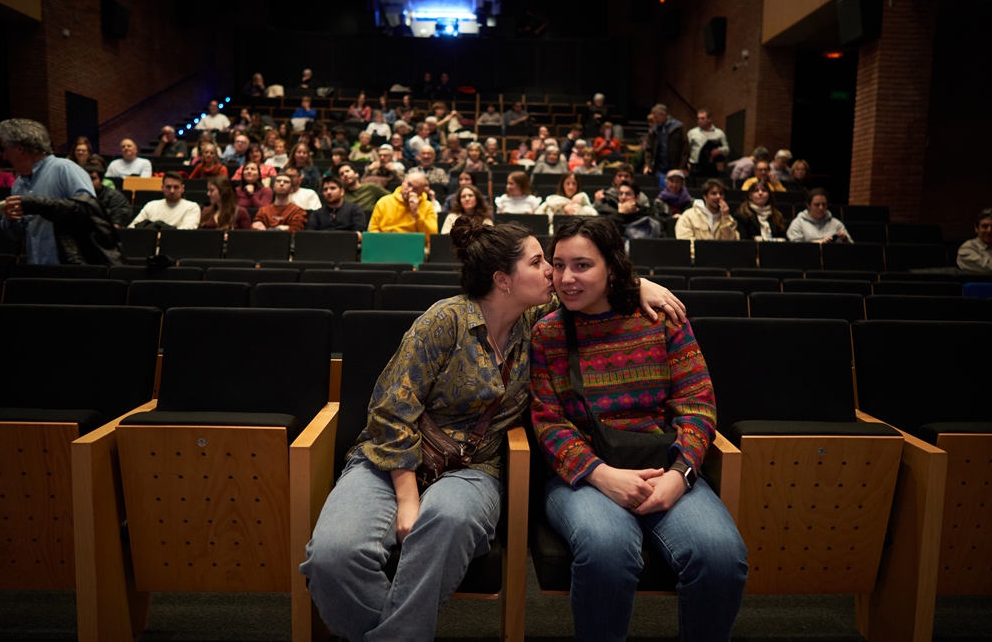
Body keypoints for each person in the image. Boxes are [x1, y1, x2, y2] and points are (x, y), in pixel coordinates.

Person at [299, 217, 685, 642]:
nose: (553, 273)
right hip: (391, 460)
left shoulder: (536, 320)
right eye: (540, 262)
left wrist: (640, 283)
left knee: (445, 522)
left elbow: (591, 283)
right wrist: (408, 499)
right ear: (503, 279)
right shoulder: (444, 321)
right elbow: (390, 412)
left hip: (473, 468)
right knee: (331, 559)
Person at [530, 216, 747, 642]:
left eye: (582, 265)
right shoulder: (546, 332)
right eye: (558, 265)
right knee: (608, 550)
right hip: (582, 477)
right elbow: (548, 422)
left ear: (612, 267)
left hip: (661, 465)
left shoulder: (661, 318)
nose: (566, 278)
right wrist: (602, 476)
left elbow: (697, 404)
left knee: (721, 556)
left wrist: (680, 476)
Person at [0, 118, 96, 264]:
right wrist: (10, 220)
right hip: (37, 265)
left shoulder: (65, 169)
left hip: (71, 268)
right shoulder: (19, 184)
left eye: (5, 149)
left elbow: (90, 213)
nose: (4, 156)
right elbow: (18, 233)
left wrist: (39, 205)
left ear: (20, 149)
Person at [0, 189, 125, 266]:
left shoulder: (87, 205)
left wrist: (29, 203)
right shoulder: (20, 183)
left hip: (89, 265)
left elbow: (62, 207)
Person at [368, 170, 438, 240]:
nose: (410, 190)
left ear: (422, 191)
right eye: (409, 184)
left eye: (416, 189)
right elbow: (372, 230)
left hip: (413, 245)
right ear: (403, 182)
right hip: (385, 243)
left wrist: (416, 213)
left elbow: (432, 236)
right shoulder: (384, 202)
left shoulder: (427, 206)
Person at [674, 179, 739, 253]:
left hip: (722, 261)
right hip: (696, 261)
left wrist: (725, 219)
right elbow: (685, 243)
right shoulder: (689, 216)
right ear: (705, 196)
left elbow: (732, 245)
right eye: (714, 193)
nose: (718, 197)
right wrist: (706, 255)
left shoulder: (728, 219)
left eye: (721, 194)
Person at [128, 172, 201, 230]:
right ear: (162, 188)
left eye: (176, 187)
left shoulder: (192, 207)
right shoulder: (151, 205)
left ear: (182, 189)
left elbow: (186, 231)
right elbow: (132, 227)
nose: (172, 191)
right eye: (168, 187)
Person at [306, 174, 368, 239]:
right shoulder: (317, 214)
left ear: (342, 191)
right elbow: (309, 236)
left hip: (347, 246)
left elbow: (360, 235)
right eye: (325, 189)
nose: (328, 192)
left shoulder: (354, 210)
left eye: (333, 188)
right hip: (322, 246)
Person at [644, 104, 688, 188]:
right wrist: (647, 165)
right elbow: (649, 149)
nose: (655, 120)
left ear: (664, 114)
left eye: (656, 117)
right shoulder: (654, 130)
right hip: (659, 167)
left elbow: (685, 148)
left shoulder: (677, 127)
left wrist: (682, 166)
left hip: (675, 166)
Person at [786, 188, 852, 243]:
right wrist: (817, 243)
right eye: (817, 205)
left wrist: (845, 240)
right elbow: (795, 248)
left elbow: (851, 248)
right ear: (808, 205)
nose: (821, 208)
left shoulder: (836, 223)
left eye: (824, 204)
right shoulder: (798, 223)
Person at [686, 109, 730, 178]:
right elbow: (686, 149)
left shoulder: (719, 133)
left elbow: (727, 149)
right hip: (695, 165)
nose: (700, 120)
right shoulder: (692, 133)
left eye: (702, 118)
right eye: (698, 118)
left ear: (710, 119)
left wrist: (719, 150)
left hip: (711, 165)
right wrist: (686, 164)